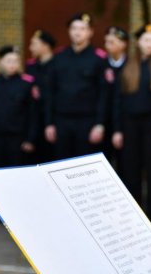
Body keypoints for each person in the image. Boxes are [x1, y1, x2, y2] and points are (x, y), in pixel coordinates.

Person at [112, 24, 151, 226]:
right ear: (138, 42)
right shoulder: (128, 66)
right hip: (129, 125)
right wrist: (117, 129)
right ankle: (132, 219)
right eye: (146, 40)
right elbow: (118, 100)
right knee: (130, 170)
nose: (149, 44)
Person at [0, 46, 38, 223]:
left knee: (15, 179)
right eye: (8, 61)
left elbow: (33, 114)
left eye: (15, 61)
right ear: (0, 62)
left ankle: (15, 214)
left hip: (17, 139)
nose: (12, 65)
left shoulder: (27, 83)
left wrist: (30, 139)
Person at [44, 13, 109, 160]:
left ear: (90, 32)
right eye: (74, 28)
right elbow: (50, 92)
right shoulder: (59, 57)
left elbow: (103, 94)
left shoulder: (99, 58)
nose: (77, 32)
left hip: (87, 121)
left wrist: (99, 124)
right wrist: (49, 123)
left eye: (82, 28)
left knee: (84, 164)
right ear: (69, 31)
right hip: (61, 120)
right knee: (61, 163)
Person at [26, 29, 56, 163]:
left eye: (34, 44)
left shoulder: (57, 64)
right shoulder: (31, 66)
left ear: (45, 45)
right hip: (34, 116)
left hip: (53, 116)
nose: (30, 47)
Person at [103, 26, 129, 166]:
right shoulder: (101, 64)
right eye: (107, 42)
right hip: (104, 121)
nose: (108, 45)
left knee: (124, 163)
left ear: (123, 44)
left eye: (112, 42)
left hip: (124, 121)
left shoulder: (131, 65)